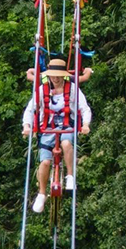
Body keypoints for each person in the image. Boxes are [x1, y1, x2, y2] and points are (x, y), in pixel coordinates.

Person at [22, 58, 92, 213]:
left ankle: (70, 176)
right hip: (47, 128)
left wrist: (85, 124)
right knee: (45, 162)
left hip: (67, 126)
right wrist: (27, 126)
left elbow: (84, 108)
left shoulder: (72, 89)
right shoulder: (43, 89)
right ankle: (41, 193)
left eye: (58, 75)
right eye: (53, 75)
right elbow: (30, 109)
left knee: (66, 144)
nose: (55, 78)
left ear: (63, 75)